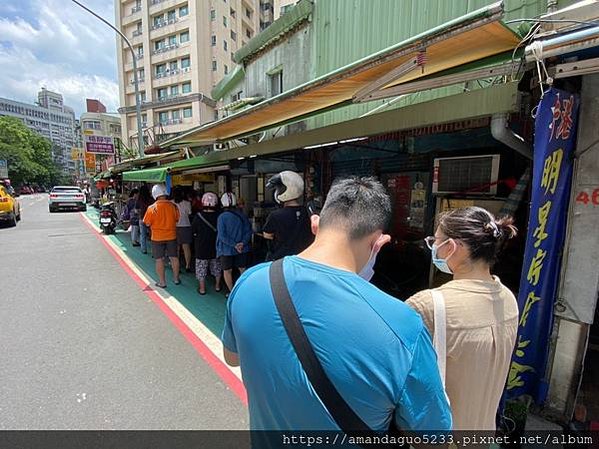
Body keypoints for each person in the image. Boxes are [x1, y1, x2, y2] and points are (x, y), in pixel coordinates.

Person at [222, 177, 451, 437]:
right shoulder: (403, 325)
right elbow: (434, 436)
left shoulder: (249, 282)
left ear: (315, 224)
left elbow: (232, 357)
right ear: (379, 242)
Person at [406, 206, 519, 430]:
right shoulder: (508, 298)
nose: (433, 248)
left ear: (452, 246)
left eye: (435, 241)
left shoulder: (428, 305)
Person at [262, 171, 314, 261]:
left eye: (278, 189)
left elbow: (267, 235)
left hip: (281, 260)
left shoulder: (275, 215)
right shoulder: (309, 212)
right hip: (305, 259)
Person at [143, 184, 181, 288]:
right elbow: (177, 219)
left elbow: (146, 223)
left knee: (159, 259)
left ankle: (162, 282)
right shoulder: (173, 206)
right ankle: (176, 279)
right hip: (171, 236)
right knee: (174, 258)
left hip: (157, 237)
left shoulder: (151, 208)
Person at [217, 192, 252, 296]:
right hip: (242, 248)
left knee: (227, 271)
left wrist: (234, 244)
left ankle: (232, 292)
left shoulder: (221, 217)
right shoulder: (242, 215)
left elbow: (222, 236)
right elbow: (248, 231)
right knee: (242, 269)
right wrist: (242, 243)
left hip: (226, 249)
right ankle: (244, 290)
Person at [192, 192, 222, 296]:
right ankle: (217, 286)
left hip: (201, 247)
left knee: (201, 268)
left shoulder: (198, 216)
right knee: (217, 267)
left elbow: (193, 231)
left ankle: (202, 288)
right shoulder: (219, 216)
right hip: (215, 247)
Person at [173, 187, 193, 272]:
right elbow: (189, 213)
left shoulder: (171, 203)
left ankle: (177, 266)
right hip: (186, 226)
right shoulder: (187, 203)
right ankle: (187, 265)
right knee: (186, 247)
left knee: (176, 248)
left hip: (175, 227)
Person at [137, 185, 152, 254]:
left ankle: (143, 249)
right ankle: (154, 250)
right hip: (151, 219)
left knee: (142, 234)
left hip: (142, 218)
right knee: (152, 235)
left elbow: (136, 209)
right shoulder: (151, 199)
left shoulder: (139, 199)